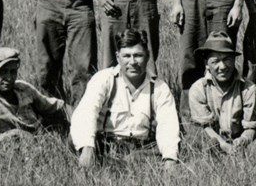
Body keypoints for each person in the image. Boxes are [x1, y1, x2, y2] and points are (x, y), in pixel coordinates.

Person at [71, 29, 179, 169]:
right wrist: (87, 148)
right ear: (117, 57)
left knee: (151, 157)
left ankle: (121, 166)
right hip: (105, 144)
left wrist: (170, 159)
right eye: (127, 56)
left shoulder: (159, 88)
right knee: (76, 139)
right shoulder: (104, 79)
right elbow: (86, 113)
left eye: (138, 55)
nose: (132, 62)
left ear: (147, 56)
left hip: (141, 148)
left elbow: (168, 126)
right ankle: (107, 163)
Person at [0, 47, 72, 144]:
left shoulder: (22, 88)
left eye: (13, 71)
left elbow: (55, 106)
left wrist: (78, 116)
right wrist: (11, 136)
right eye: (3, 72)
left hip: (42, 140)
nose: (9, 77)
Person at [188, 31, 256, 154]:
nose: (222, 67)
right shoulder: (198, 89)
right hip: (211, 143)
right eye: (215, 62)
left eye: (227, 59)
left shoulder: (249, 89)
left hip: (242, 145)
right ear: (206, 64)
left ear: (234, 60)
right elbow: (205, 127)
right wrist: (224, 145)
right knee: (195, 141)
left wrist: (243, 140)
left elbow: (251, 127)